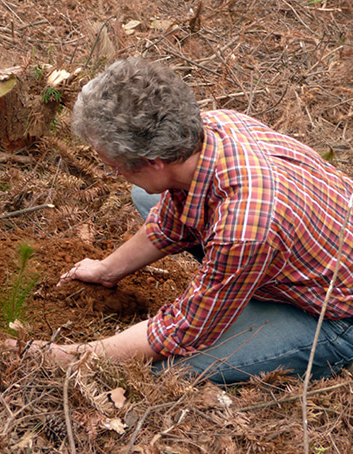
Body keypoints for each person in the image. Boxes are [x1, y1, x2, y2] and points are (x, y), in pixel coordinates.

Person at [32, 56, 353, 384]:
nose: (115, 175)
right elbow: (171, 222)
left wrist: (69, 356)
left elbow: (180, 331)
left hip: (335, 315)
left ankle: (316, 341)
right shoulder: (214, 126)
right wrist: (107, 269)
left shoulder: (243, 227)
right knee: (147, 196)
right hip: (300, 243)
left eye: (115, 167)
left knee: (168, 368)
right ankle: (240, 286)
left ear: (153, 161)